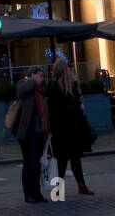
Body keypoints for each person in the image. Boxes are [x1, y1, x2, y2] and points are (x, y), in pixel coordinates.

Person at [47, 58, 94, 195]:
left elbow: (53, 110)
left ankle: (62, 189)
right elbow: (72, 107)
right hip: (71, 127)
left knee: (65, 159)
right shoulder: (67, 86)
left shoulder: (53, 86)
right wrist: (78, 107)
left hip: (62, 128)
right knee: (72, 159)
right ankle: (80, 186)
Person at [13, 68, 50, 203]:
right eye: (40, 76)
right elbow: (23, 89)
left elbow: (45, 111)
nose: (42, 79)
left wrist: (48, 131)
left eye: (43, 76)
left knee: (37, 163)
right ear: (32, 75)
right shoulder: (24, 85)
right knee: (30, 161)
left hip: (39, 130)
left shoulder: (41, 91)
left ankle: (36, 192)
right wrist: (33, 80)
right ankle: (28, 193)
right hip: (27, 131)